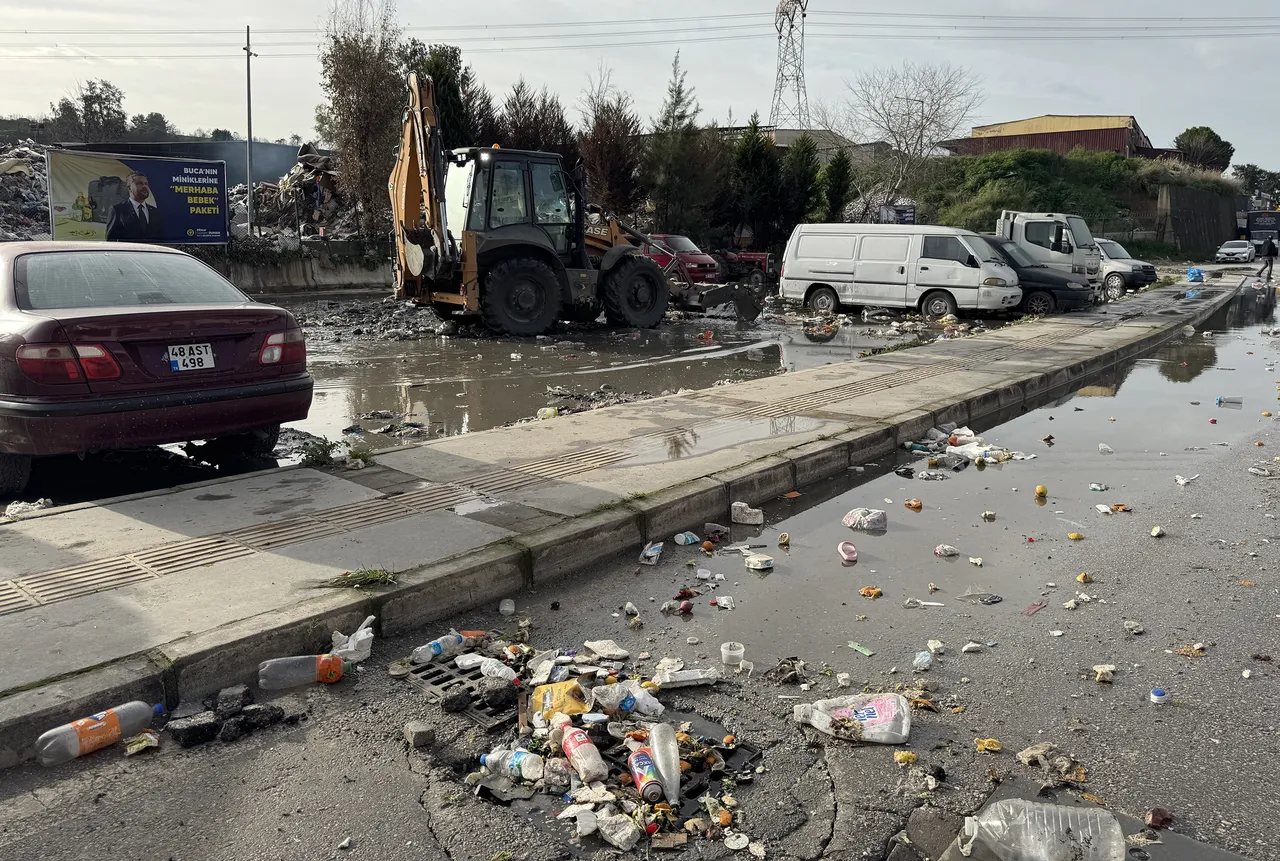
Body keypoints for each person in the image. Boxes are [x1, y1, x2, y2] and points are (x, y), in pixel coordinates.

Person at [105, 173, 165, 242]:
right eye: (139, 183)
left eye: (146, 184)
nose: (144, 186)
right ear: (129, 188)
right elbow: (111, 240)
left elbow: (160, 239)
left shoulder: (155, 212)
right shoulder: (117, 210)